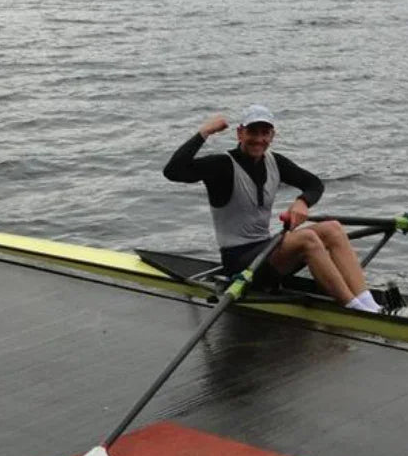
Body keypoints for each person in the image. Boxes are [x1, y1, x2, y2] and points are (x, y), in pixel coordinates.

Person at [163, 105, 381, 312]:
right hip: (239, 263)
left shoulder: (275, 162)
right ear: (240, 133)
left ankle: (369, 302)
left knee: (333, 227)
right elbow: (173, 171)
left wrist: (302, 201)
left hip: (267, 251)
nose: (259, 139)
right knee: (307, 239)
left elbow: (314, 184)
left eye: (265, 133)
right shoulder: (221, 165)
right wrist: (204, 132)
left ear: (272, 136)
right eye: (252, 132)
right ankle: (354, 309)